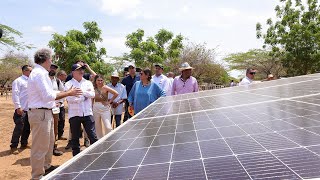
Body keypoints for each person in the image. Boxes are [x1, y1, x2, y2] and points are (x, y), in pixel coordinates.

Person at [28, 48, 82, 179]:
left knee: (48, 142)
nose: (51, 61)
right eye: (51, 59)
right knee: (40, 146)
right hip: (40, 114)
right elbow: (47, 95)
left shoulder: (41, 73)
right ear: (46, 60)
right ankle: (37, 176)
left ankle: (46, 167)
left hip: (45, 112)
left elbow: (46, 97)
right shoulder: (39, 74)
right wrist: (68, 93)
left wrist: (53, 103)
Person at [65, 64, 98, 156]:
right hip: (74, 114)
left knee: (93, 136)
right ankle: (76, 158)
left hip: (87, 113)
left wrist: (81, 92)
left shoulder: (88, 83)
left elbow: (92, 95)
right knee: (75, 139)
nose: (81, 71)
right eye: (78, 69)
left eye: (82, 69)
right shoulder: (68, 84)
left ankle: (97, 156)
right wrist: (83, 98)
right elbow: (69, 99)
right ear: (73, 72)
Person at [10, 65, 32, 155]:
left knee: (27, 128)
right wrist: (18, 107)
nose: (31, 73)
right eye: (30, 71)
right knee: (19, 127)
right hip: (21, 109)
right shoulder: (18, 81)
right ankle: (14, 145)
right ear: (24, 71)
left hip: (30, 109)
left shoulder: (31, 81)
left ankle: (24, 143)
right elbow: (15, 94)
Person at [92, 74, 118, 139]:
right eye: (98, 80)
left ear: (103, 81)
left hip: (105, 109)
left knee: (108, 127)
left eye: (101, 80)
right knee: (97, 127)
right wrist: (91, 107)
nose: (100, 82)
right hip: (95, 108)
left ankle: (107, 139)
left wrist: (109, 102)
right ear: (95, 81)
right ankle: (99, 140)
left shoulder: (105, 87)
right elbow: (92, 99)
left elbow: (116, 93)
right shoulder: (93, 88)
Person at [49, 64, 64, 156]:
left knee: (54, 129)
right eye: (51, 67)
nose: (53, 69)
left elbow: (63, 92)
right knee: (45, 129)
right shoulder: (43, 79)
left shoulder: (58, 81)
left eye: (55, 68)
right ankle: (45, 149)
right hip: (43, 108)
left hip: (55, 109)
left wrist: (60, 103)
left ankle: (53, 147)